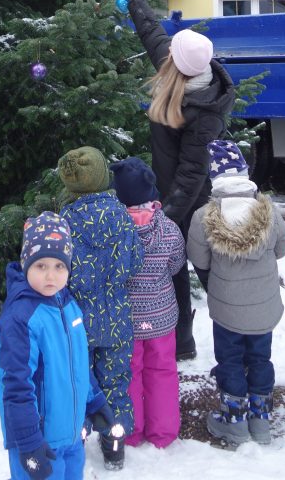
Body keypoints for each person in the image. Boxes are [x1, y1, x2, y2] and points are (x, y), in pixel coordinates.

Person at [115, 0, 236, 361]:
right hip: (165, 196)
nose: (165, 58)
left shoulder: (204, 113)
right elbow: (154, 38)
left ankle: (235, 341)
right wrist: (136, 1)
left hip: (191, 203)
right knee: (173, 272)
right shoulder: (179, 71)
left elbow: (191, 174)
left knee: (202, 269)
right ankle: (182, 341)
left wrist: (166, 219)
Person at [0, 212, 117, 480]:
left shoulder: (68, 304)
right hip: (39, 441)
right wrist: (28, 443)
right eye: (41, 266)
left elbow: (76, 363)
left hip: (72, 435)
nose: (51, 275)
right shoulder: (21, 318)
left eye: (59, 266)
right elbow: (15, 385)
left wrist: (94, 401)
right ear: (26, 264)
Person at [187, 140, 285, 445]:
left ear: (214, 177)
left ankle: (234, 420)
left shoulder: (204, 216)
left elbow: (200, 259)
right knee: (260, 358)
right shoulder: (268, 211)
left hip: (227, 309)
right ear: (245, 172)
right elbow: (283, 249)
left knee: (230, 359)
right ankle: (260, 420)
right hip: (264, 308)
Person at [58, 146, 144, 470]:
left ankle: (76, 437)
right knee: (115, 380)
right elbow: (135, 260)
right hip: (116, 317)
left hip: (78, 320)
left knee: (78, 380)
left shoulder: (66, 220)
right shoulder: (121, 215)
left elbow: (59, 270)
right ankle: (114, 443)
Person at [110, 156, 186, 448]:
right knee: (163, 372)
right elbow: (176, 264)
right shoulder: (168, 229)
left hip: (127, 321)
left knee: (129, 374)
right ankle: (163, 432)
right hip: (162, 318)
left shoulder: (115, 232)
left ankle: (130, 431)